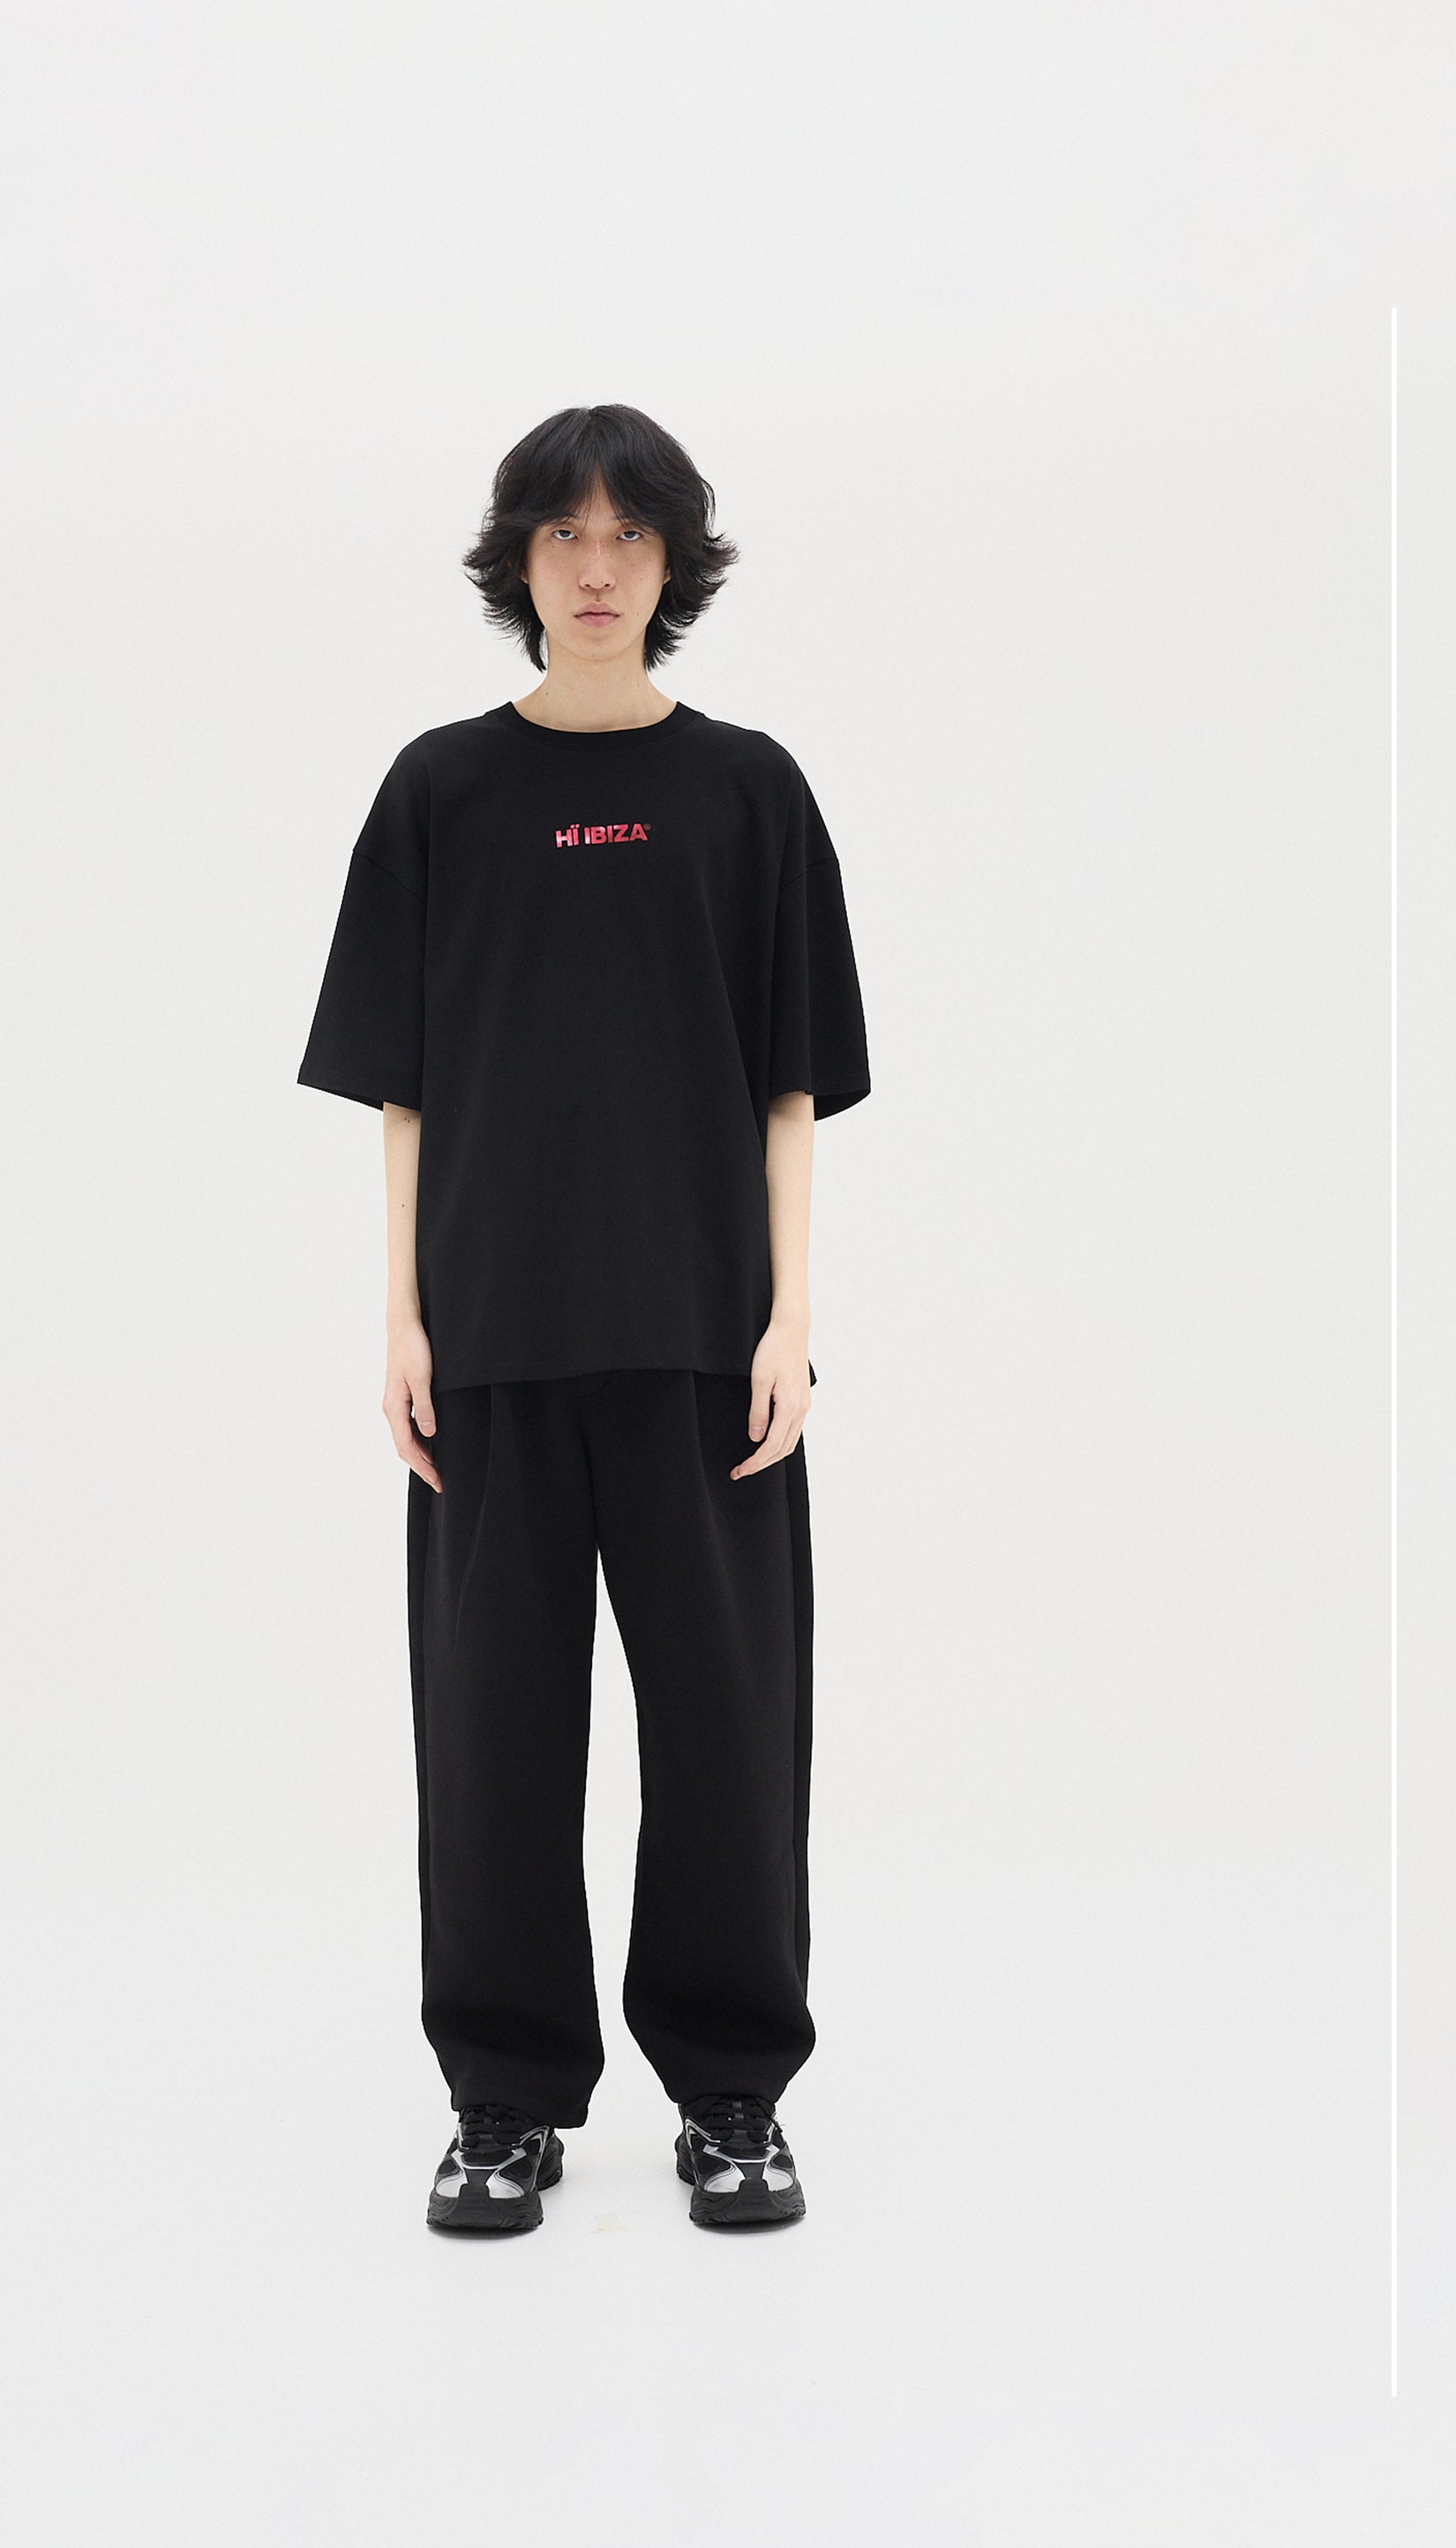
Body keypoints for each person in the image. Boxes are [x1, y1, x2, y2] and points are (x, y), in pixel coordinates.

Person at [296, 404, 870, 2232]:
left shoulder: (750, 792)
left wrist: (788, 1314)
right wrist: (402, 1316)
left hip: (707, 1346)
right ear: (519, 563)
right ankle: (503, 2102)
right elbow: (402, 1088)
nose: (598, 567)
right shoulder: (440, 793)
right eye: (564, 534)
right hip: (492, 1349)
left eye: (630, 535)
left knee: (729, 1735)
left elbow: (790, 1083)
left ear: (674, 563)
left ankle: (731, 2094)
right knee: (490, 1742)